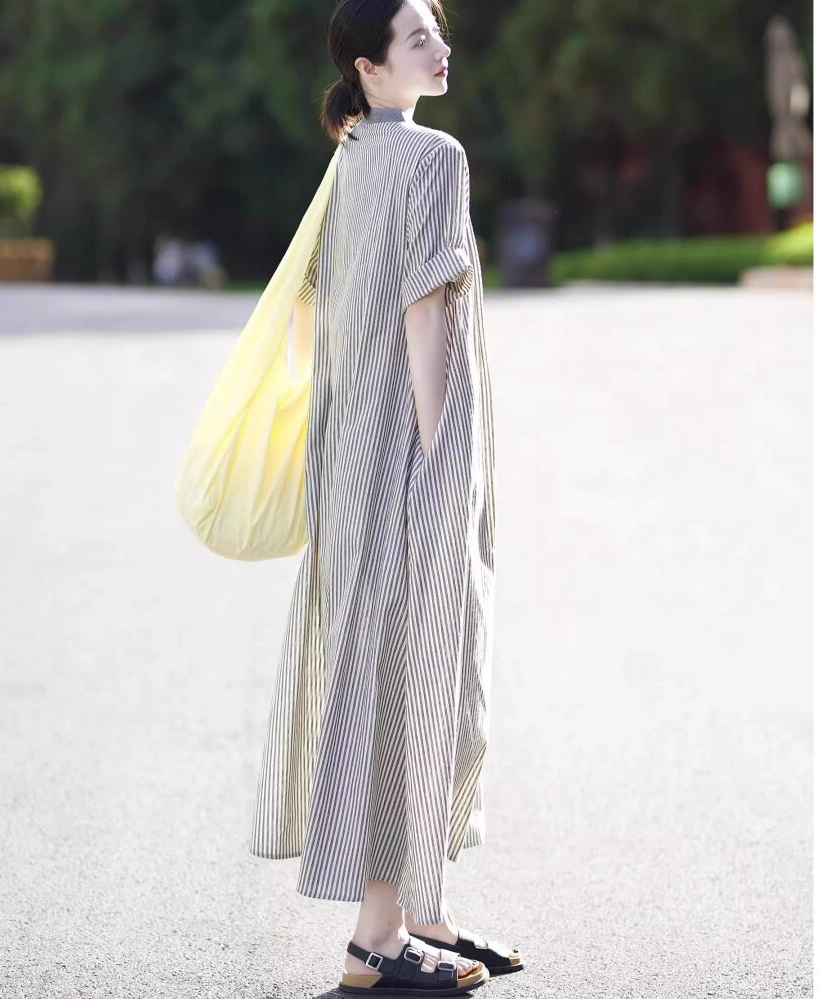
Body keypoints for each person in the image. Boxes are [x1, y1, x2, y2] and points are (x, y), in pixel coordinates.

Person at [249, 1, 521, 993]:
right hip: (412, 452)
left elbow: (324, 311)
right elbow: (426, 309)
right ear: (369, 66)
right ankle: (378, 939)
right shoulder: (433, 157)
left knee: (377, 675)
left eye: (438, 32)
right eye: (418, 39)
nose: (441, 49)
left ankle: (412, 917)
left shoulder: (353, 157)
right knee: (422, 680)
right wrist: (442, 455)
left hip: (351, 456)